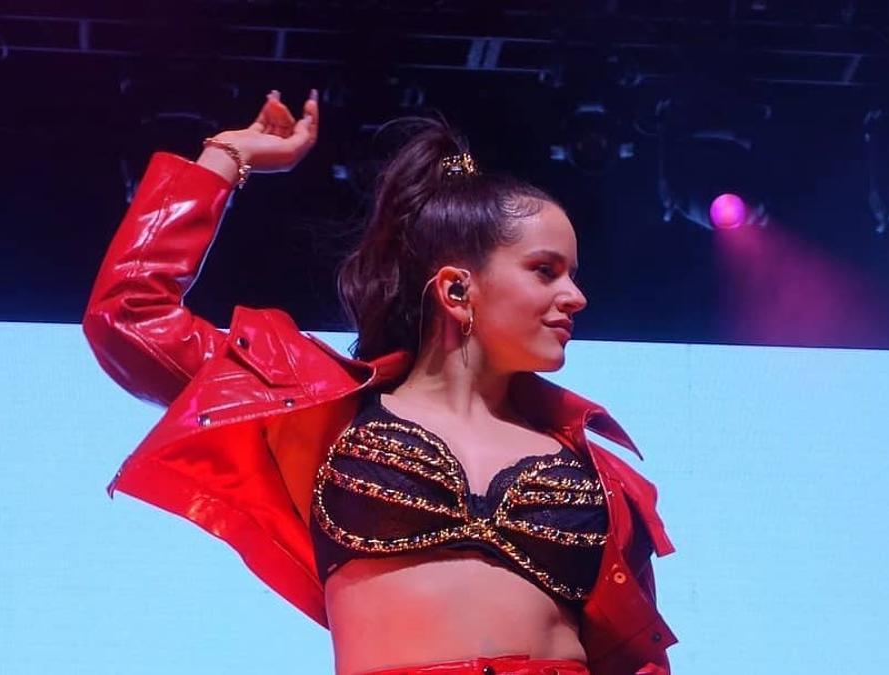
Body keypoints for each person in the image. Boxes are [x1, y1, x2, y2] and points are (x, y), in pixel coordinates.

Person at [83, 88, 676, 675]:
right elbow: (130, 316)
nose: (575, 296)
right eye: (545, 271)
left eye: (572, 274)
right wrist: (228, 154)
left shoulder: (598, 473)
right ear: (455, 289)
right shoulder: (314, 408)